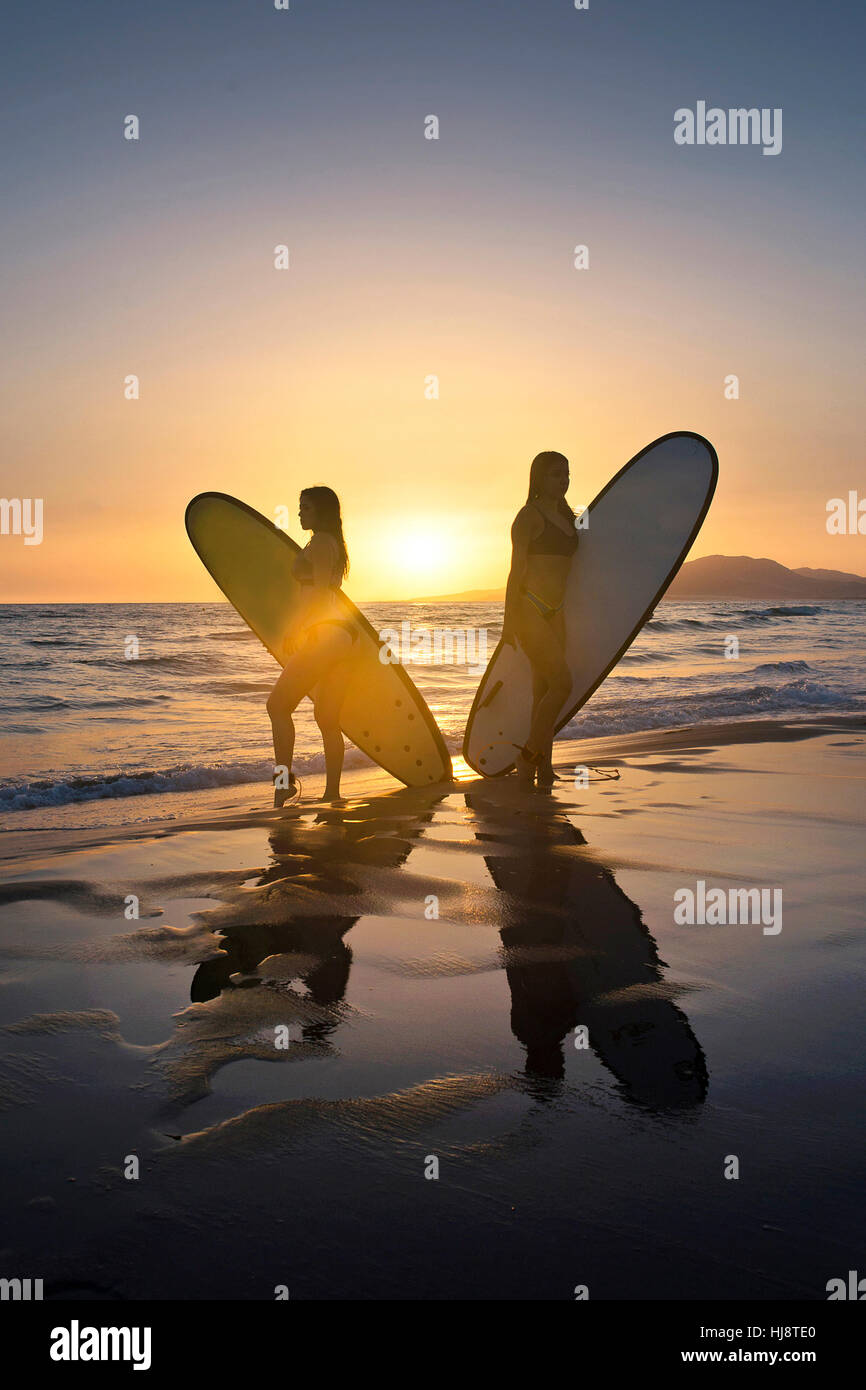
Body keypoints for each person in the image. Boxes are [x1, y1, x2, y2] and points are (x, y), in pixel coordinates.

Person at [266, 486, 359, 804]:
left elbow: (319, 594)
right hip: (343, 636)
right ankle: (332, 794)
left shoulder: (320, 542)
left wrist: (295, 626)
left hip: (326, 634)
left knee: (277, 707)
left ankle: (282, 785)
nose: (300, 512)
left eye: (305, 507)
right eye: (299, 506)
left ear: (320, 510)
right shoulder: (332, 543)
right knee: (327, 719)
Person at [502, 451, 578, 787]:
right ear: (538, 478)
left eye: (566, 474)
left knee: (543, 691)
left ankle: (542, 769)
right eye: (554, 474)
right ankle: (528, 754)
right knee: (563, 684)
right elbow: (515, 572)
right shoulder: (528, 517)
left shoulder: (568, 515)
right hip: (529, 608)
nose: (562, 480)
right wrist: (508, 624)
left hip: (556, 611)